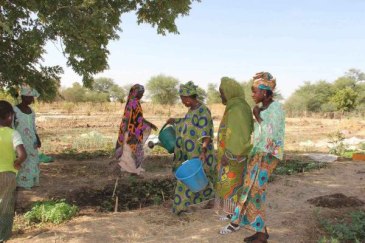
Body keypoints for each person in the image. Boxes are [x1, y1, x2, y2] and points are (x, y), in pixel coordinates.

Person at [220, 72, 285, 243]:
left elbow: (271, 135)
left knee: (256, 192)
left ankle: (262, 235)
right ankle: (260, 231)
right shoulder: (263, 108)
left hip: (267, 154)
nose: (252, 94)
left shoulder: (275, 108)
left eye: (255, 91)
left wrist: (257, 115)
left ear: (264, 92)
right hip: (258, 154)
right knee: (251, 192)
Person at [166, 81, 216, 215]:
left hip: (199, 152)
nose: (182, 101)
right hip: (189, 152)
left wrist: (203, 151)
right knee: (201, 178)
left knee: (185, 180)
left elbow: (206, 133)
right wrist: (174, 121)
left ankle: (179, 208)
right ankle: (211, 199)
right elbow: (187, 123)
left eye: (183, 99)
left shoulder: (203, 111)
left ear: (189, 98)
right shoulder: (191, 110)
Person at [215, 77, 253, 220]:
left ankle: (234, 214)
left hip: (234, 156)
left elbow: (238, 135)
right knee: (228, 184)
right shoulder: (235, 106)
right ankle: (231, 213)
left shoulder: (238, 109)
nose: (221, 95)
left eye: (222, 92)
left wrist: (229, 154)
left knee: (232, 184)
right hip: (229, 155)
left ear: (230, 92)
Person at [115, 84, 157, 176]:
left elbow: (138, 117)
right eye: (141, 93)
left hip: (134, 130)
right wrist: (127, 131)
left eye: (143, 93)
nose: (142, 95)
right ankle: (131, 171)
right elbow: (127, 118)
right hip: (130, 131)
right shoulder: (132, 102)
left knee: (131, 150)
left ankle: (132, 169)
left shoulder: (136, 102)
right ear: (135, 92)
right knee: (128, 150)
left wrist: (149, 124)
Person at [0, 100, 27, 242]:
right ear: (9, 116)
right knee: (5, 205)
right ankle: (3, 236)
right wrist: (17, 163)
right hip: (7, 175)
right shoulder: (13, 133)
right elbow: (22, 155)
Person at [13, 85, 41, 190]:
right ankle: (21, 183)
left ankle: (31, 182)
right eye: (31, 97)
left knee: (33, 160)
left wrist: (37, 138)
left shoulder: (31, 111)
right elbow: (11, 126)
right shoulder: (14, 110)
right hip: (20, 141)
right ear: (24, 97)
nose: (32, 99)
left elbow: (33, 127)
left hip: (32, 141)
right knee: (22, 160)